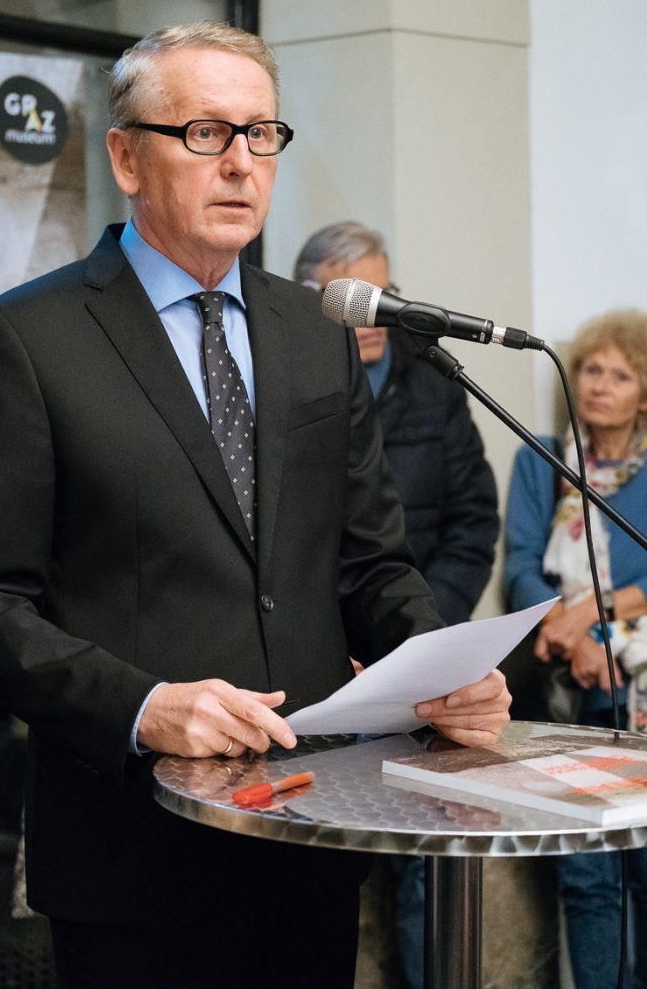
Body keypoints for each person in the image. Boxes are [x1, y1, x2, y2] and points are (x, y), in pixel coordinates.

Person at [0, 22, 511, 989]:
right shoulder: (29, 340)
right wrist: (142, 706)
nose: (242, 164)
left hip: (313, 831)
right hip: (136, 853)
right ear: (126, 155)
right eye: (205, 133)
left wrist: (442, 665)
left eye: (262, 134)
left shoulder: (317, 328)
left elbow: (370, 561)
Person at [295, 221, 499, 989]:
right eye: (356, 298)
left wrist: (424, 640)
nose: (373, 316)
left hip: (422, 651)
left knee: (429, 847)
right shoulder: (292, 377)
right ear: (318, 298)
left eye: (384, 296)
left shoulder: (428, 374)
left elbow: (473, 518)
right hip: (325, 665)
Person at [504, 309, 647, 989]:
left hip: (636, 683)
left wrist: (592, 625)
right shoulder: (540, 457)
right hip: (564, 693)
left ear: (644, 393)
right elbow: (521, 569)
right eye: (592, 369)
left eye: (620, 375)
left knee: (644, 870)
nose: (599, 385)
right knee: (587, 873)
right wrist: (570, 631)